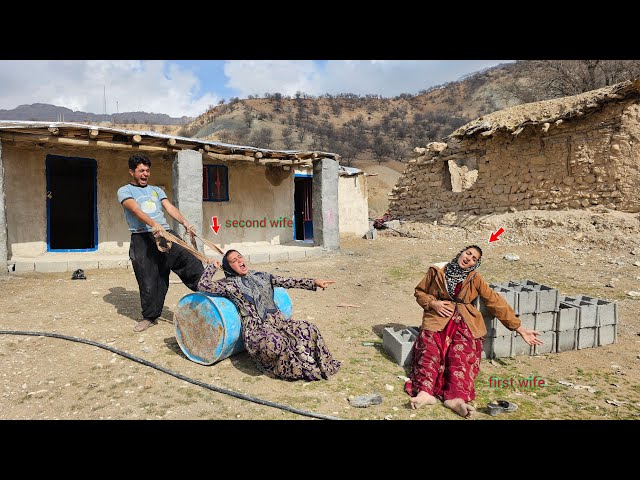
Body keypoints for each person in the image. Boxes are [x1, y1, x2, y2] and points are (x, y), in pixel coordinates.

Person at [405, 245, 543, 418]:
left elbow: (494, 301)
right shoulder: (437, 270)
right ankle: (425, 393)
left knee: (460, 356)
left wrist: (519, 328)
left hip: (465, 323)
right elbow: (420, 292)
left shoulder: (475, 278)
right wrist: (433, 303)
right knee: (430, 352)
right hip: (437, 320)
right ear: (460, 253)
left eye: (474, 258)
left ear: (475, 264)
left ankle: (455, 399)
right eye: (468, 253)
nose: (469, 258)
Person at [197, 249, 341, 381]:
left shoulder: (263, 276)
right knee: (275, 342)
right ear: (228, 267)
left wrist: (314, 282)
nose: (239, 261)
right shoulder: (228, 285)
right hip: (257, 329)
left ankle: (317, 363)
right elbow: (202, 285)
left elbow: (287, 281)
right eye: (234, 261)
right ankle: (284, 367)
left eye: (240, 257)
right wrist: (212, 267)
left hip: (279, 322)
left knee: (309, 328)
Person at [117, 154, 205, 332]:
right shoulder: (125, 191)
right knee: (149, 278)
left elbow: (169, 208)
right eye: (141, 170)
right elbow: (134, 209)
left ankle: (209, 293)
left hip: (166, 233)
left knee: (189, 260)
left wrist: (185, 223)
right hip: (142, 237)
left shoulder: (156, 190)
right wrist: (153, 224)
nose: (145, 174)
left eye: (147, 170)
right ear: (132, 172)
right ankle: (150, 316)